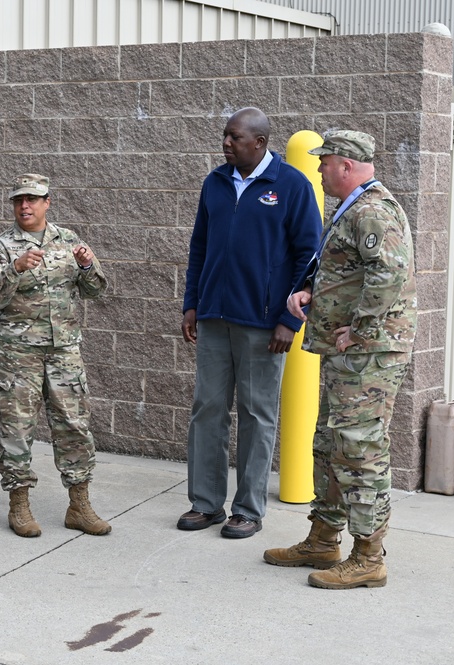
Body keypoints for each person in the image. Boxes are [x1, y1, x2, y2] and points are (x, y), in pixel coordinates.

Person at [262, 130, 416, 590]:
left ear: (345, 165)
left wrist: (362, 327)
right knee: (332, 445)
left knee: (360, 449)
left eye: (324, 162)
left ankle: (368, 556)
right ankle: (324, 539)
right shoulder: (355, 207)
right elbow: (353, 272)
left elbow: (389, 273)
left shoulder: (371, 211)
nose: (320, 169)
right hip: (347, 353)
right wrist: (313, 293)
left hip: (367, 354)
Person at [178, 107, 322, 539]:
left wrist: (288, 320)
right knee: (207, 410)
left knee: (258, 415)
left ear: (259, 142)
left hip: (264, 325)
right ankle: (206, 503)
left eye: (234, 137)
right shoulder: (215, 182)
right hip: (214, 318)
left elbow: (309, 257)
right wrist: (192, 303)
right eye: (224, 135)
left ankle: (249, 510)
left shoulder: (291, 186)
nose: (225, 143)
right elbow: (199, 246)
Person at [0, 174, 111, 538]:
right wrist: (14, 270)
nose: (25, 205)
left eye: (33, 199)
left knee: (75, 426)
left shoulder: (69, 241)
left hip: (64, 352)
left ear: (47, 202)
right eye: (19, 200)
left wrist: (86, 266)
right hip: (16, 356)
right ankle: (19, 505)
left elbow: (97, 289)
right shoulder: (2, 247)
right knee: (17, 432)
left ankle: (79, 504)